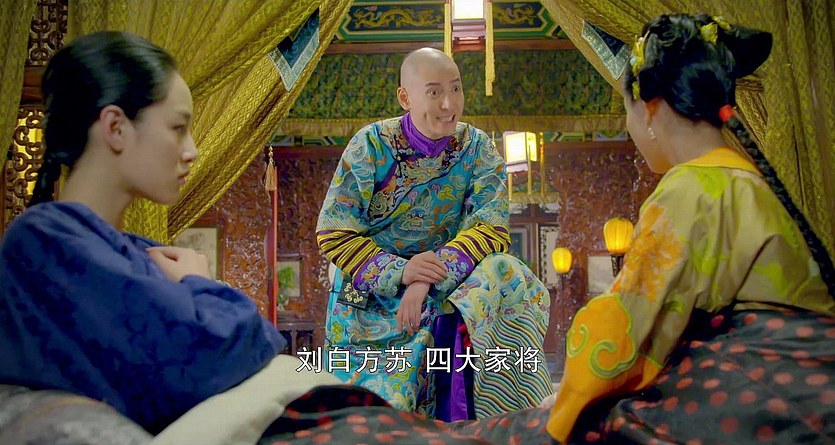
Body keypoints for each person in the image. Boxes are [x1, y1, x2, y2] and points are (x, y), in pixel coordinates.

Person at [537, 13, 835, 444]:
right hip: (799, 386)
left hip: (763, 395)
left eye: (626, 109)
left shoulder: (690, 189)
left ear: (650, 109)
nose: (630, 126)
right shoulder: (741, 176)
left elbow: (627, 322)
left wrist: (569, 396)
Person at [0, 31, 285, 435]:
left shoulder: (138, 250)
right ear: (115, 127)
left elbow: (259, 339)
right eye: (178, 127)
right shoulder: (44, 241)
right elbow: (211, 358)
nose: (192, 151)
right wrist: (200, 283)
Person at [315, 47, 553, 419]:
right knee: (375, 419)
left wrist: (425, 277)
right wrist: (402, 272)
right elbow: (335, 232)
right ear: (405, 97)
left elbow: (491, 229)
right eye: (434, 92)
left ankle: (509, 411)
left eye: (456, 89)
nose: (448, 104)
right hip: (369, 298)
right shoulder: (370, 146)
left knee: (507, 271)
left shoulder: (477, 148)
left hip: (440, 286)